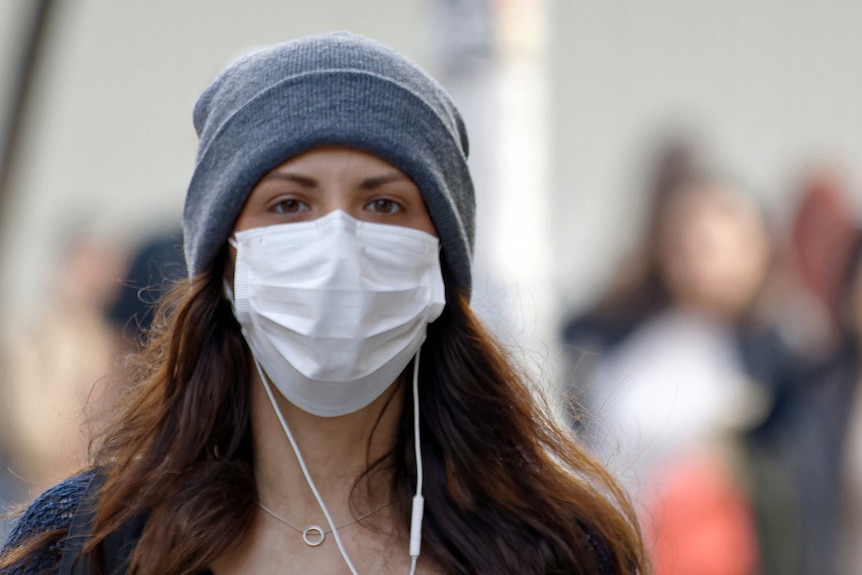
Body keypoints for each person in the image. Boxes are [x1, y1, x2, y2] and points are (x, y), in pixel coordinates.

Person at [0, 32, 646, 575]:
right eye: (289, 203)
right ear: (227, 260)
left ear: (439, 262)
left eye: (384, 203)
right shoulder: (85, 544)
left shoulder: (556, 548)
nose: (338, 239)